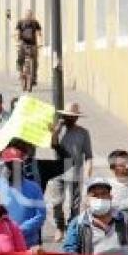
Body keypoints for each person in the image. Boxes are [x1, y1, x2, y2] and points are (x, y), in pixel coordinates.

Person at [0, 147, 46, 246]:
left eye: (16, 165)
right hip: (0, 244)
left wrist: (19, 230)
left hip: (28, 244)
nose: (13, 168)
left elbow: (40, 215)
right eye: (9, 165)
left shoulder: (34, 188)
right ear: (2, 166)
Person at [51, 102, 93, 242]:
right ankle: (59, 226)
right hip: (58, 169)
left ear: (76, 118)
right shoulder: (59, 130)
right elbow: (53, 144)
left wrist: (88, 170)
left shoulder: (83, 133)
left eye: (72, 117)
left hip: (75, 170)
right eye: (66, 116)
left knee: (75, 204)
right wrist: (55, 131)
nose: (68, 118)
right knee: (57, 201)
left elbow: (88, 155)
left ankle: (72, 228)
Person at [63, 178, 128, 255]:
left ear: (110, 197)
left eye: (104, 194)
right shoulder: (78, 223)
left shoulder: (125, 219)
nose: (100, 198)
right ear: (87, 200)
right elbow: (70, 250)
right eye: (95, 195)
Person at [15, 9, 42, 85]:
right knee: (20, 57)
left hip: (33, 44)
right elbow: (17, 32)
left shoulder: (35, 23)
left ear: (32, 16)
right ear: (25, 15)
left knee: (35, 60)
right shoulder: (20, 22)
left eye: (30, 15)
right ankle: (20, 72)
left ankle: (33, 78)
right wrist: (17, 42)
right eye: (27, 15)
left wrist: (40, 42)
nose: (28, 16)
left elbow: (39, 33)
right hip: (23, 43)